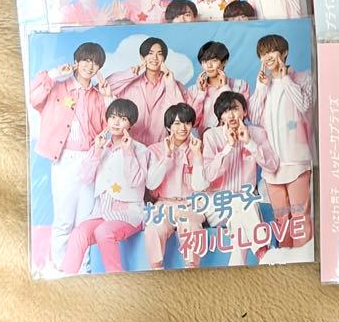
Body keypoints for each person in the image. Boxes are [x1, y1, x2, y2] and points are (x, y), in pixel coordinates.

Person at [29, 42, 107, 271]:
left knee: (84, 221)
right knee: (64, 219)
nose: (90, 66)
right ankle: (60, 267)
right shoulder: (58, 87)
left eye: (95, 62)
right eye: (86, 60)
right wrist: (54, 74)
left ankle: (82, 267)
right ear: (76, 62)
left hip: (90, 160)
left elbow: (108, 126)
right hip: (64, 159)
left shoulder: (98, 95)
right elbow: (34, 98)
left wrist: (107, 98)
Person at [60, 99, 149, 275]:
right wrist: (97, 150)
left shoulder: (140, 149)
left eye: (122, 119)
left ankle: (115, 277)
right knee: (79, 233)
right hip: (102, 212)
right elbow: (85, 178)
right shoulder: (101, 148)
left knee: (103, 232)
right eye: (113, 117)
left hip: (130, 213)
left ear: (131, 124)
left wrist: (128, 151)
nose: (116, 122)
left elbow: (136, 181)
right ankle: (66, 279)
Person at [250, 34, 314, 247]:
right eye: (263, 53)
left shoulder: (303, 77)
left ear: (284, 53)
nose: (267, 56)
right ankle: (286, 256)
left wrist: (284, 77)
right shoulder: (264, 85)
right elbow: (254, 117)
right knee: (281, 218)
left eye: (271, 51)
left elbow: (304, 105)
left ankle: (302, 256)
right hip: (272, 164)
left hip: (296, 161)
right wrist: (261, 87)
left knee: (300, 215)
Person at [202, 91, 279, 266]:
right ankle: (263, 252)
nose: (231, 115)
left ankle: (236, 266)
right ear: (220, 117)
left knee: (240, 212)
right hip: (217, 204)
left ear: (244, 111)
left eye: (235, 109)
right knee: (242, 203)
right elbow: (208, 176)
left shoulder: (257, 134)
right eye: (225, 111)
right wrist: (228, 147)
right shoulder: (211, 136)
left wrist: (250, 143)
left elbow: (272, 166)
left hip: (244, 204)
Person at [143, 103, 208, 269]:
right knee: (153, 228)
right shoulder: (154, 150)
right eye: (177, 123)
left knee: (191, 227)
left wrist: (197, 156)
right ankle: (156, 271)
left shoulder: (198, 148)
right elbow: (151, 183)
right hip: (163, 204)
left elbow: (199, 186)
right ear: (168, 126)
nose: (183, 128)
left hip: (191, 204)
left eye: (187, 123)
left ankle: (191, 271)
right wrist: (167, 156)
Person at [104, 37, 187, 147]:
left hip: (161, 148)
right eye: (150, 53)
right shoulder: (129, 83)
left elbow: (183, 114)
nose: (154, 58)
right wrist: (130, 74)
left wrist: (170, 84)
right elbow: (105, 86)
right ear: (142, 57)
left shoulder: (174, 85)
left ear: (164, 58)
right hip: (131, 147)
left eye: (159, 54)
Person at [188, 41, 250, 132]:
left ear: (224, 62)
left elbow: (245, 115)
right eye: (205, 61)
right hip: (206, 139)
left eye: (214, 60)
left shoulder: (240, 85)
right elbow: (192, 122)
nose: (209, 65)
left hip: (236, 136)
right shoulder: (194, 90)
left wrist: (225, 87)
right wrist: (201, 94)